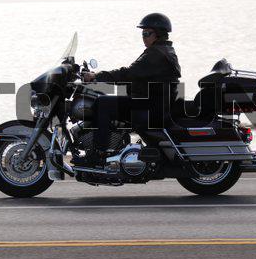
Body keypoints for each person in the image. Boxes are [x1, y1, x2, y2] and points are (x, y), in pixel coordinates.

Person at [77, 13, 181, 165]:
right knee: (110, 98)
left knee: (102, 103)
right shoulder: (163, 50)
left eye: (147, 33)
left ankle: (98, 154)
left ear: (158, 34)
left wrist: (96, 76)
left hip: (152, 105)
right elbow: (137, 77)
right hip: (155, 101)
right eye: (142, 33)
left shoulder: (156, 54)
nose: (143, 37)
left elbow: (129, 73)